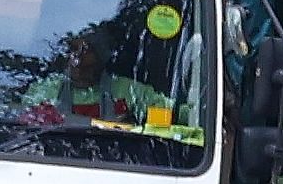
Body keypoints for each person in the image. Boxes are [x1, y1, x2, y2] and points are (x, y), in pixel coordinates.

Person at [20, 33, 172, 125]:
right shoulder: (44, 91)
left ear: (101, 57)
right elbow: (23, 122)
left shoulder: (128, 90)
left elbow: (170, 114)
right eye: (73, 50)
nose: (77, 60)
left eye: (85, 50)